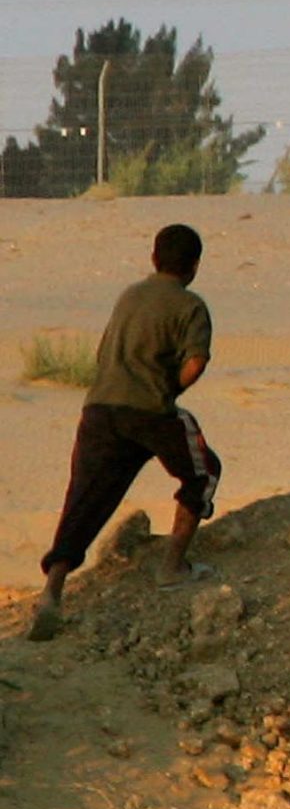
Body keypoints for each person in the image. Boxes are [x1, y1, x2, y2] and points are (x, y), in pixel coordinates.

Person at [28, 224, 222, 642]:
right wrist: (168, 390)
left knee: (85, 499)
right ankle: (173, 567)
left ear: (154, 258)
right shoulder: (190, 306)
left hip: (99, 409)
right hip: (150, 411)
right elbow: (195, 362)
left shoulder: (129, 296)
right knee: (203, 472)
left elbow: (103, 352)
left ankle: (51, 594)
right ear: (194, 266)